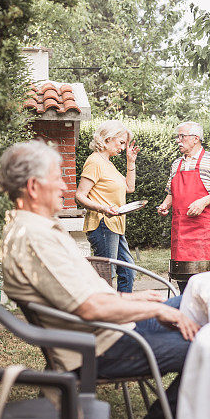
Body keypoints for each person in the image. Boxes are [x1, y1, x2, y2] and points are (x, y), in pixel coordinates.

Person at [0, 139, 199, 419]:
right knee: (201, 347)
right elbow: (89, 308)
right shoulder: (35, 237)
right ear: (34, 187)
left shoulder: (34, 228)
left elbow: (79, 292)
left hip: (108, 328)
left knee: (191, 303)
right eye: (57, 177)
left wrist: (129, 297)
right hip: (100, 346)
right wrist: (156, 308)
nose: (64, 185)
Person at [157, 121, 210, 292]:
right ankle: (184, 309)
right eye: (177, 137)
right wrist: (165, 205)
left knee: (204, 277)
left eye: (182, 136)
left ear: (196, 139)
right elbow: (171, 192)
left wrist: (202, 202)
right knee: (182, 276)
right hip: (180, 229)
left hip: (202, 228)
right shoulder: (176, 164)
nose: (178, 140)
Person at [75, 120, 139, 293]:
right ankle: (103, 315)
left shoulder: (108, 163)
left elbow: (129, 188)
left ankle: (122, 311)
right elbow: (80, 196)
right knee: (105, 275)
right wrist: (103, 208)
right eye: (121, 142)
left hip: (115, 226)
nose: (123, 147)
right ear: (108, 139)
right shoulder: (95, 161)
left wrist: (130, 162)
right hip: (102, 224)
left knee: (128, 270)